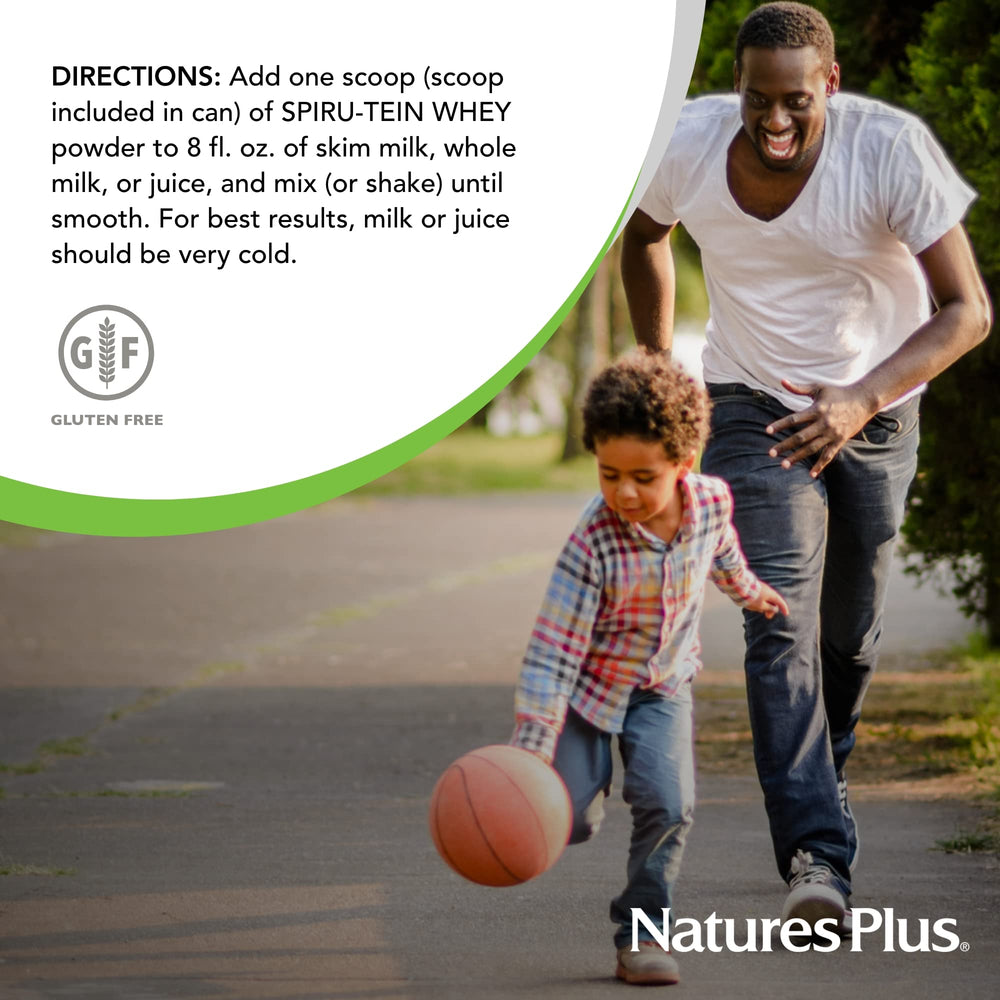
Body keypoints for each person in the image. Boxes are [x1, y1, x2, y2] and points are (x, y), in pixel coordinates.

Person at [621, 1, 991, 929]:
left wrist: (861, 399)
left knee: (850, 636)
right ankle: (817, 858)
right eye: (756, 99)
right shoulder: (693, 142)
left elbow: (968, 311)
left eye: (794, 101)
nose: (773, 122)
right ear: (737, 87)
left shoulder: (888, 150)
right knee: (774, 620)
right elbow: (644, 237)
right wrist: (666, 369)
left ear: (828, 83)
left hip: (876, 408)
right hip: (751, 402)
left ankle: (824, 768)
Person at [510, 352, 789, 985]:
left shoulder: (712, 502)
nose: (624, 492)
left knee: (669, 805)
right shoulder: (593, 540)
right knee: (568, 821)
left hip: (663, 686)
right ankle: (582, 787)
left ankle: (641, 937)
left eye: (642, 476)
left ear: (683, 465)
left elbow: (722, 557)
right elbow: (552, 651)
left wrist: (751, 591)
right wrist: (531, 750)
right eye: (609, 474)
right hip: (586, 691)